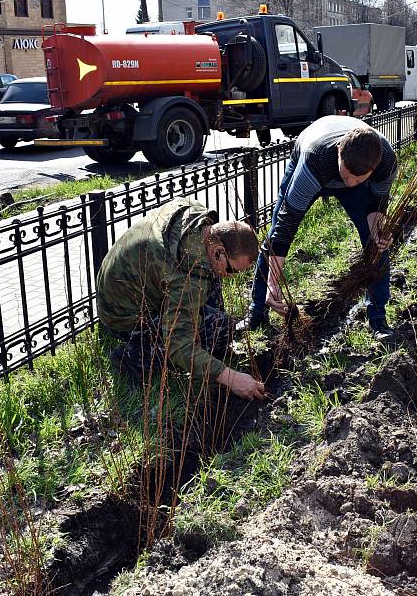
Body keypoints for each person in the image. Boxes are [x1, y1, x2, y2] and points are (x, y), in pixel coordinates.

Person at [239, 115, 397, 339]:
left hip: (345, 169)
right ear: (339, 151)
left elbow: (375, 205)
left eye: (358, 179)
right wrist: (274, 282)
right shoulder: (316, 159)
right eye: (347, 176)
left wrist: (377, 233)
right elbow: (285, 227)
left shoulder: (386, 162)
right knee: (275, 232)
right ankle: (257, 311)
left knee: (377, 245)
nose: (350, 183)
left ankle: (377, 317)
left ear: (373, 168)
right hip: (313, 163)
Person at [96, 197, 265, 401]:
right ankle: (134, 356)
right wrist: (230, 377)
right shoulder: (186, 276)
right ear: (218, 251)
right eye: (232, 270)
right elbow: (178, 344)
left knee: (213, 285)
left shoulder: (198, 219)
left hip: (121, 289)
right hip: (122, 316)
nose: (230, 276)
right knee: (218, 332)